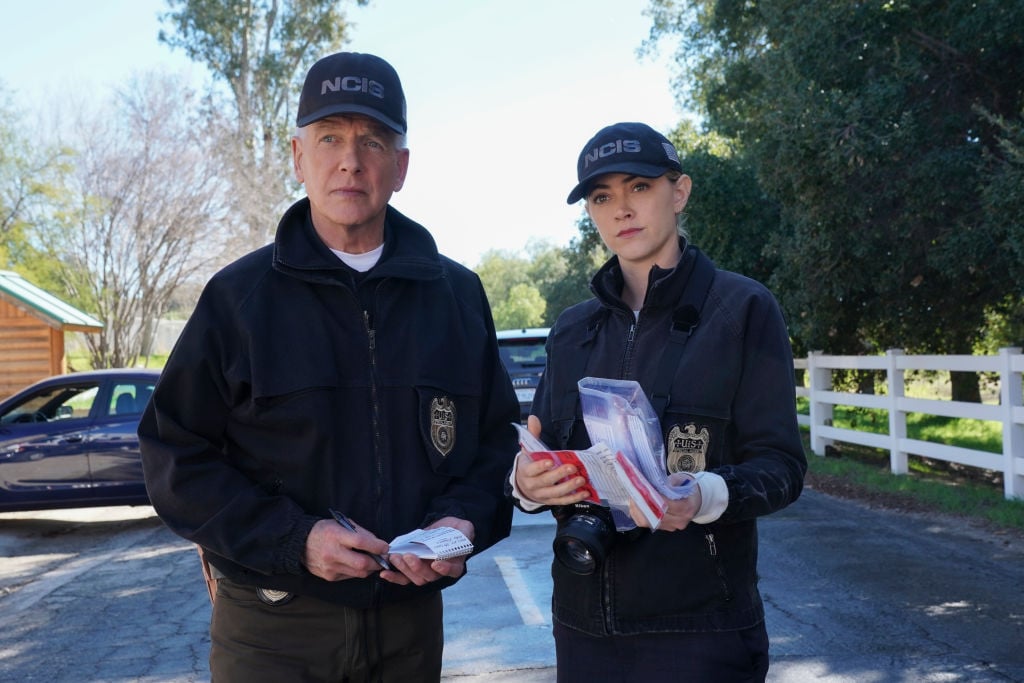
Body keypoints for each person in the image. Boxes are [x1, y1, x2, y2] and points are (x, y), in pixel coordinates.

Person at [139, 51, 519, 683]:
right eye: (330, 138)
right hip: (271, 628)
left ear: (400, 167)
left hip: (409, 626)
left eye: (372, 140)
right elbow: (173, 455)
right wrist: (294, 539)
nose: (350, 159)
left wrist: (463, 523)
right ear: (298, 158)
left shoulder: (456, 296)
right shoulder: (238, 300)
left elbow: (496, 443)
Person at [509, 122, 807, 682]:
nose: (621, 209)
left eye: (639, 187)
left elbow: (783, 468)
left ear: (680, 191)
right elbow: (542, 450)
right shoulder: (572, 330)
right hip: (582, 627)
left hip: (702, 631)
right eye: (602, 197)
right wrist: (524, 485)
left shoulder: (743, 310)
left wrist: (701, 495)